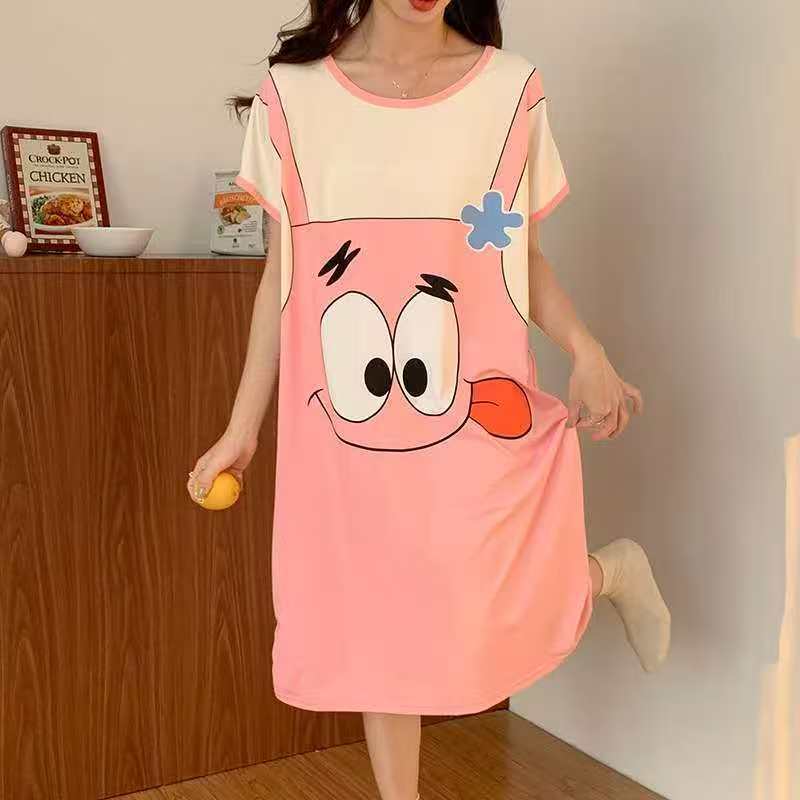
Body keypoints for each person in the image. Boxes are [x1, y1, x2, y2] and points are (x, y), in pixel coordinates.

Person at [187, 2, 671, 798]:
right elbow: (281, 280)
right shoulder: (293, 99)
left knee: (478, 596)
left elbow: (521, 258)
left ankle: (602, 575)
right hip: (348, 426)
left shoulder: (508, 92)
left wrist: (589, 351)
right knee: (381, 621)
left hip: (468, 401)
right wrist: (243, 430)